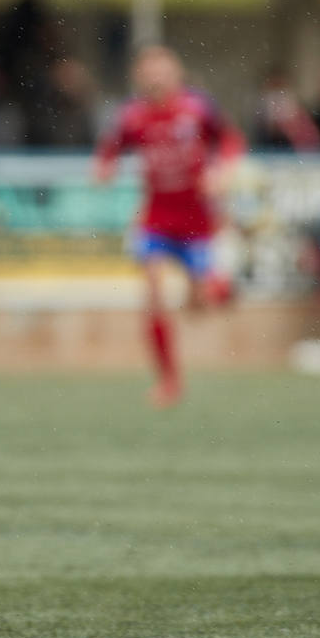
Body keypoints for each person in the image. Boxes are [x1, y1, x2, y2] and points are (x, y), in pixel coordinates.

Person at [94, 45, 244, 408]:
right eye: (148, 73)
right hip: (157, 221)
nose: (155, 79)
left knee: (203, 302)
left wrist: (222, 171)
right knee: (154, 295)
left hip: (198, 223)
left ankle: (222, 289)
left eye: (161, 72)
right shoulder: (133, 117)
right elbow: (111, 148)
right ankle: (169, 381)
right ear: (139, 79)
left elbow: (230, 140)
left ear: (176, 75)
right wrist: (105, 167)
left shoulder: (198, 109)